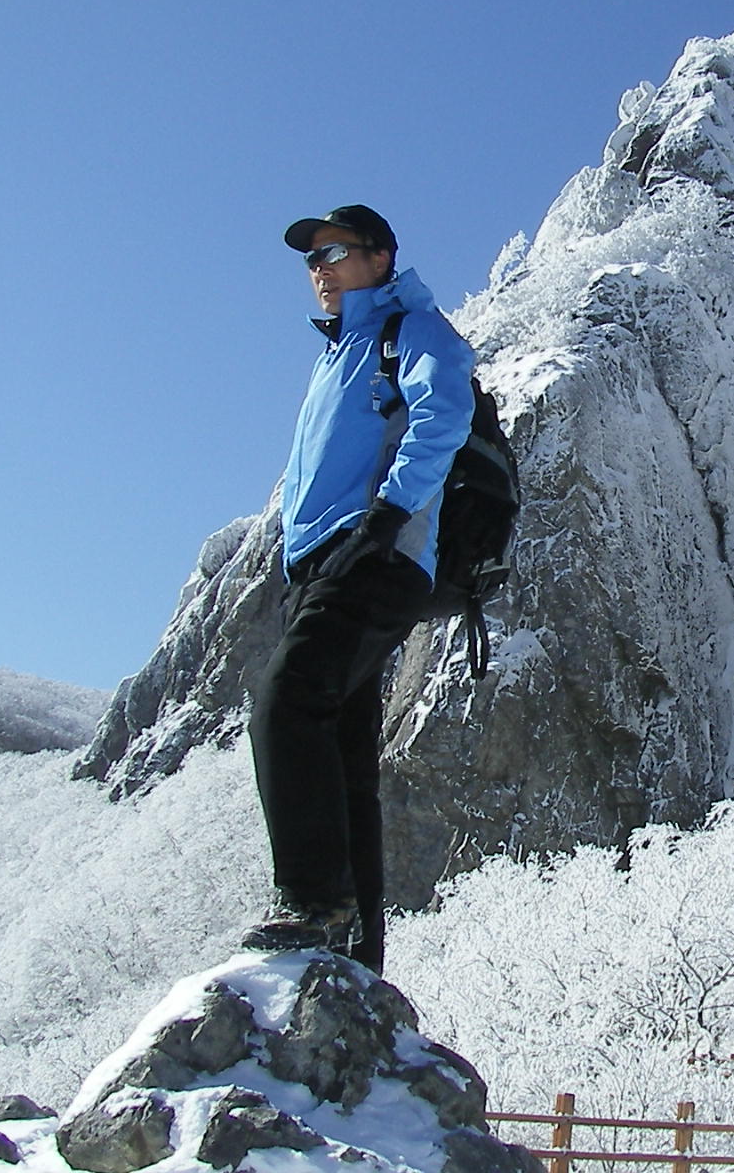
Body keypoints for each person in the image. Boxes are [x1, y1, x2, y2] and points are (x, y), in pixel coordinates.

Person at [243, 204, 476, 973]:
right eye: (311, 259)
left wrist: (387, 519)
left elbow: (444, 410)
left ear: (379, 258)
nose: (319, 269)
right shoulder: (337, 355)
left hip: (376, 555)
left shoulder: (410, 330)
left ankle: (312, 901)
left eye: (334, 251)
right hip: (321, 564)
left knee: (286, 702)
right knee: (344, 762)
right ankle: (354, 959)